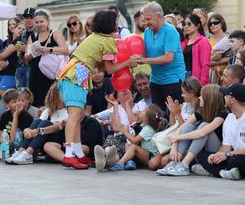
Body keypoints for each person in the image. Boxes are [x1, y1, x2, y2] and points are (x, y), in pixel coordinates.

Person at [57, 10, 136, 169]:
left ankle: (78, 154)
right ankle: (68, 155)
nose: (117, 24)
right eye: (116, 21)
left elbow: (99, 64)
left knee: (78, 116)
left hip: (74, 75)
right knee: (74, 116)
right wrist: (128, 62)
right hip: (75, 76)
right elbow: (109, 69)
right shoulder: (107, 41)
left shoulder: (95, 37)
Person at [196, 83, 245, 180]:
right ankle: (225, 172)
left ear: (232, 100)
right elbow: (226, 146)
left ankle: (216, 171)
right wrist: (217, 155)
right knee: (202, 155)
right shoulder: (230, 118)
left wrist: (227, 154)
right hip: (235, 155)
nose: (224, 97)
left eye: (226, 95)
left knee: (236, 161)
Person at [157, 84, 228, 176]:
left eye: (202, 96)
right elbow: (182, 127)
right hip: (201, 148)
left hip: (216, 151)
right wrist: (174, 148)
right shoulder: (201, 111)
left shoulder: (222, 114)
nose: (200, 97)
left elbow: (202, 133)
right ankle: (175, 162)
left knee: (204, 125)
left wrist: (178, 137)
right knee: (188, 127)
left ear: (209, 99)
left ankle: (185, 164)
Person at [137, 2, 186, 112]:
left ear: (159, 16)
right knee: (157, 116)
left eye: (148, 19)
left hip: (172, 80)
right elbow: (145, 53)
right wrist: (136, 58)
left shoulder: (170, 31)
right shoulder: (147, 31)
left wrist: (145, 60)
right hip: (155, 80)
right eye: (144, 19)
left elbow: (168, 58)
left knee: (175, 115)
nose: (146, 23)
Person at [5, 82, 68, 165]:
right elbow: (37, 124)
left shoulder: (69, 109)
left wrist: (39, 131)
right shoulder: (49, 110)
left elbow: (59, 126)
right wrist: (27, 130)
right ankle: (22, 151)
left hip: (61, 138)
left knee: (45, 122)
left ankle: (28, 153)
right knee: (38, 121)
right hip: (44, 138)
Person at [25, 9, 69, 107]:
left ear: (47, 21)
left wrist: (47, 49)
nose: (39, 24)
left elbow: (66, 50)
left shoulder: (55, 33)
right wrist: (32, 53)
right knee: (36, 101)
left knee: (51, 100)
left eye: (42, 21)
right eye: (37, 22)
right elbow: (26, 57)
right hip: (35, 72)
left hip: (51, 73)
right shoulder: (32, 36)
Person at [109, 104, 163, 171]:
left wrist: (125, 132)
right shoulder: (145, 126)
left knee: (133, 146)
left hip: (152, 156)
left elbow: (135, 141)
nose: (141, 111)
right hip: (147, 153)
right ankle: (130, 162)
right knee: (127, 144)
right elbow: (134, 128)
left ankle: (120, 163)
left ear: (147, 117)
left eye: (144, 111)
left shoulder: (148, 129)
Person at [181, 14, 211, 85]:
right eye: (184, 24)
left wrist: (202, 83)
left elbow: (205, 65)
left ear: (197, 25)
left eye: (189, 24)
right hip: (183, 76)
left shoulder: (203, 41)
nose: (186, 26)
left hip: (195, 78)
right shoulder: (183, 42)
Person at [0, 18, 25, 91]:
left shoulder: (19, 42)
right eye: (9, 24)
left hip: (11, 73)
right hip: (3, 72)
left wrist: (5, 62)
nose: (20, 30)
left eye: (23, 29)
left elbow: (3, 56)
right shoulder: (6, 42)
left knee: (5, 94)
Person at [208, 13, 231, 85]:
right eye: (210, 24)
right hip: (212, 75)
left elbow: (232, 57)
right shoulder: (207, 41)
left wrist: (215, 60)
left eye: (215, 23)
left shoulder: (229, 39)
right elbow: (204, 61)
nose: (212, 25)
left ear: (222, 23)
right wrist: (215, 58)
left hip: (227, 74)